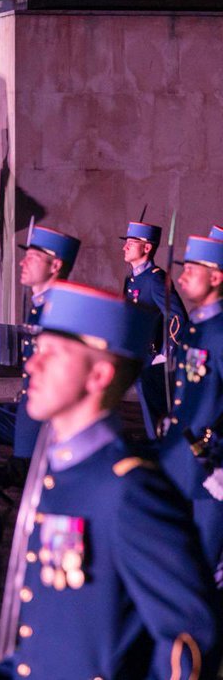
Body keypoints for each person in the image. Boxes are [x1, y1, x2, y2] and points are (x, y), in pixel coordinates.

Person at [0, 281, 219, 680]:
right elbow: (42, 657)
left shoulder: (126, 491)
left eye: (52, 354)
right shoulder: (61, 475)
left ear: (98, 375)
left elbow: (191, 640)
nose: (32, 366)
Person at [0, 226, 79, 532]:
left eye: (33, 257)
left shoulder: (63, 311)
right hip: (27, 407)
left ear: (55, 265)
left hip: (47, 419)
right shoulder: (39, 306)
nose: (23, 262)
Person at [158, 234, 223, 589]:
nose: (181, 278)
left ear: (216, 277)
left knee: (206, 570)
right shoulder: (195, 329)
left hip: (213, 468)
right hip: (183, 461)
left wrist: (214, 446)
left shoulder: (219, 332)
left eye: (192, 270)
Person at [120, 219, 187, 439]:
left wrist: (165, 353)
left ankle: (162, 447)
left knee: (155, 413)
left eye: (131, 243)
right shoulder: (132, 279)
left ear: (147, 247)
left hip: (152, 357)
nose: (125, 247)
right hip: (135, 354)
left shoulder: (155, 279)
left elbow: (177, 316)